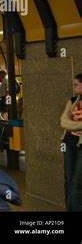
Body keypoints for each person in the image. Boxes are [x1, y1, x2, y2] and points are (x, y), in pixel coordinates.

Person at [60, 73, 82, 211]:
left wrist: (72, 124)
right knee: (68, 178)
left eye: (76, 84)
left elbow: (68, 123)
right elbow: (63, 121)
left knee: (77, 181)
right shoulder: (72, 100)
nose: (73, 87)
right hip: (69, 142)